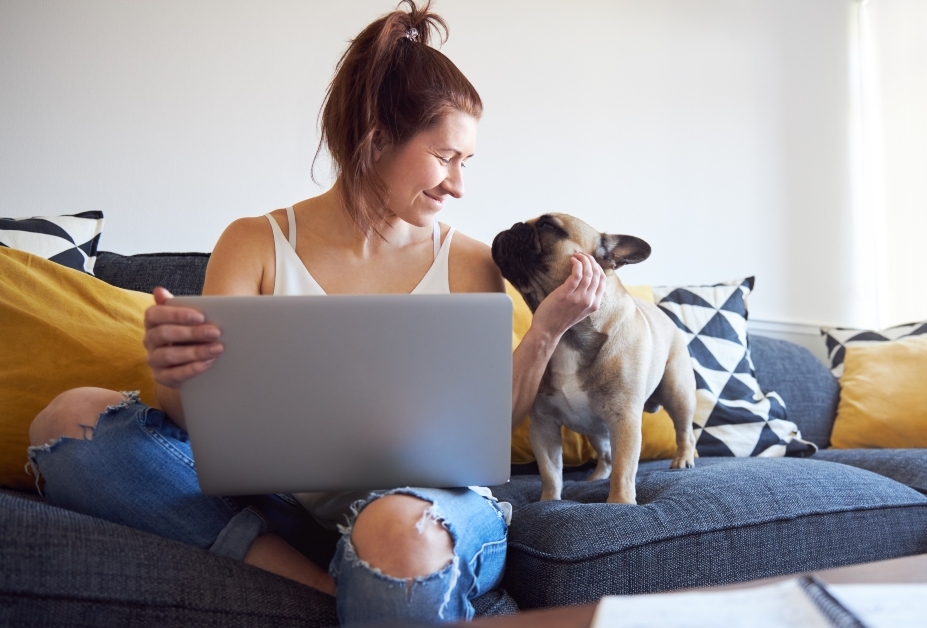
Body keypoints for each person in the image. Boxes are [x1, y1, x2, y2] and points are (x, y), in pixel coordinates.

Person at [25, 2, 605, 624]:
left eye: (467, 162)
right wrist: (177, 374)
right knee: (67, 423)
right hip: (283, 508)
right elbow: (199, 425)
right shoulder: (253, 243)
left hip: (427, 511)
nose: (458, 185)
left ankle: (370, 572)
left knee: (395, 530)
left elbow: (490, 423)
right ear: (375, 138)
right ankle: (338, 590)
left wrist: (547, 328)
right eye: (445, 157)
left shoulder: (468, 263)